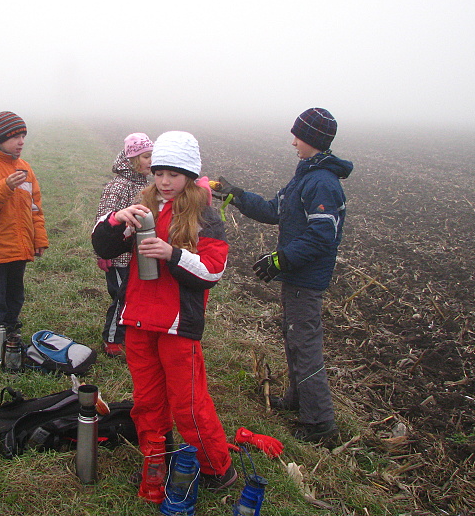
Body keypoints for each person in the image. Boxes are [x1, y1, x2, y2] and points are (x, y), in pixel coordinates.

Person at [92, 131, 238, 491]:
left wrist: (172, 254)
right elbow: (103, 246)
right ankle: (157, 462)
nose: (164, 182)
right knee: (147, 401)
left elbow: (212, 271)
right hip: (138, 318)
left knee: (188, 404)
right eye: (158, 173)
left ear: (188, 175)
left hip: (177, 325)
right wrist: (116, 220)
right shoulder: (145, 206)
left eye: (172, 174)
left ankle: (217, 469)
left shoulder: (204, 213)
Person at [213, 108, 353, 443]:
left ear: (313, 140)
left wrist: (281, 260)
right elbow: (275, 210)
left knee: (305, 345)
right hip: (297, 277)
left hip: (306, 279)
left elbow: (322, 236)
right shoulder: (305, 176)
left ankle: (320, 424)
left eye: (298, 136)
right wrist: (237, 196)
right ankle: (298, 400)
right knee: (294, 340)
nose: (293, 142)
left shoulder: (322, 183)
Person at [0, 111, 48, 340]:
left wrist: (39, 239)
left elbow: (35, 207)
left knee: (16, 294)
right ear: (1, 138)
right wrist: (5, 186)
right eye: (16, 136)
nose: (21, 141)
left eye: (23, 136)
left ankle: (12, 329)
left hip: (20, 245)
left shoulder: (25, 168)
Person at [94, 133, 153, 357]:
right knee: (122, 296)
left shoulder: (143, 184)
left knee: (132, 296)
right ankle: (112, 339)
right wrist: (104, 254)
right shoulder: (118, 186)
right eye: (146, 156)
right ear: (134, 159)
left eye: (151, 156)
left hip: (136, 255)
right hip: (117, 257)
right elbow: (103, 219)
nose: (150, 161)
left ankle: (128, 333)